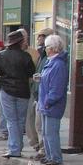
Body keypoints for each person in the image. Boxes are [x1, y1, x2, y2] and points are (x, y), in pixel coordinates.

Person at [0, 28, 35, 159]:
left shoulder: (1, 55)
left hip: (7, 90)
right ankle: (17, 146)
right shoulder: (26, 56)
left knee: (11, 120)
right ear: (20, 42)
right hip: (22, 90)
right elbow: (31, 72)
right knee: (20, 120)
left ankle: (14, 147)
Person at [37, 34, 68, 165]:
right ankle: (50, 155)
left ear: (54, 48)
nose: (45, 49)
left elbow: (57, 87)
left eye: (47, 47)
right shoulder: (51, 62)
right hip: (45, 102)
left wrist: (49, 101)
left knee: (51, 132)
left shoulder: (58, 64)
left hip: (51, 104)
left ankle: (55, 157)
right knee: (45, 132)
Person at [27, 29, 52, 157]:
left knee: (40, 124)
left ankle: (43, 148)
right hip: (36, 90)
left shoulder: (50, 58)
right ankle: (37, 144)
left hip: (44, 93)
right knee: (32, 120)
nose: (39, 39)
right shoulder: (41, 54)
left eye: (41, 37)